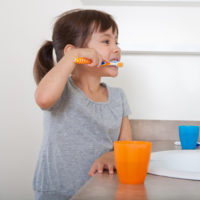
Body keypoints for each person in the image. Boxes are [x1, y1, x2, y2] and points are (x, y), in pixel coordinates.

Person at [33, 9, 132, 200]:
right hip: (56, 193)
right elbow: (43, 99)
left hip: (100, 192)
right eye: (106, 41)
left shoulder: (118, 98)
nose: (117, 49)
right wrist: (71, 58)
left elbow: (126, 145)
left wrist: (113, 156)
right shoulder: (61, 89)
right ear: (74, 52)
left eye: (116, 42)